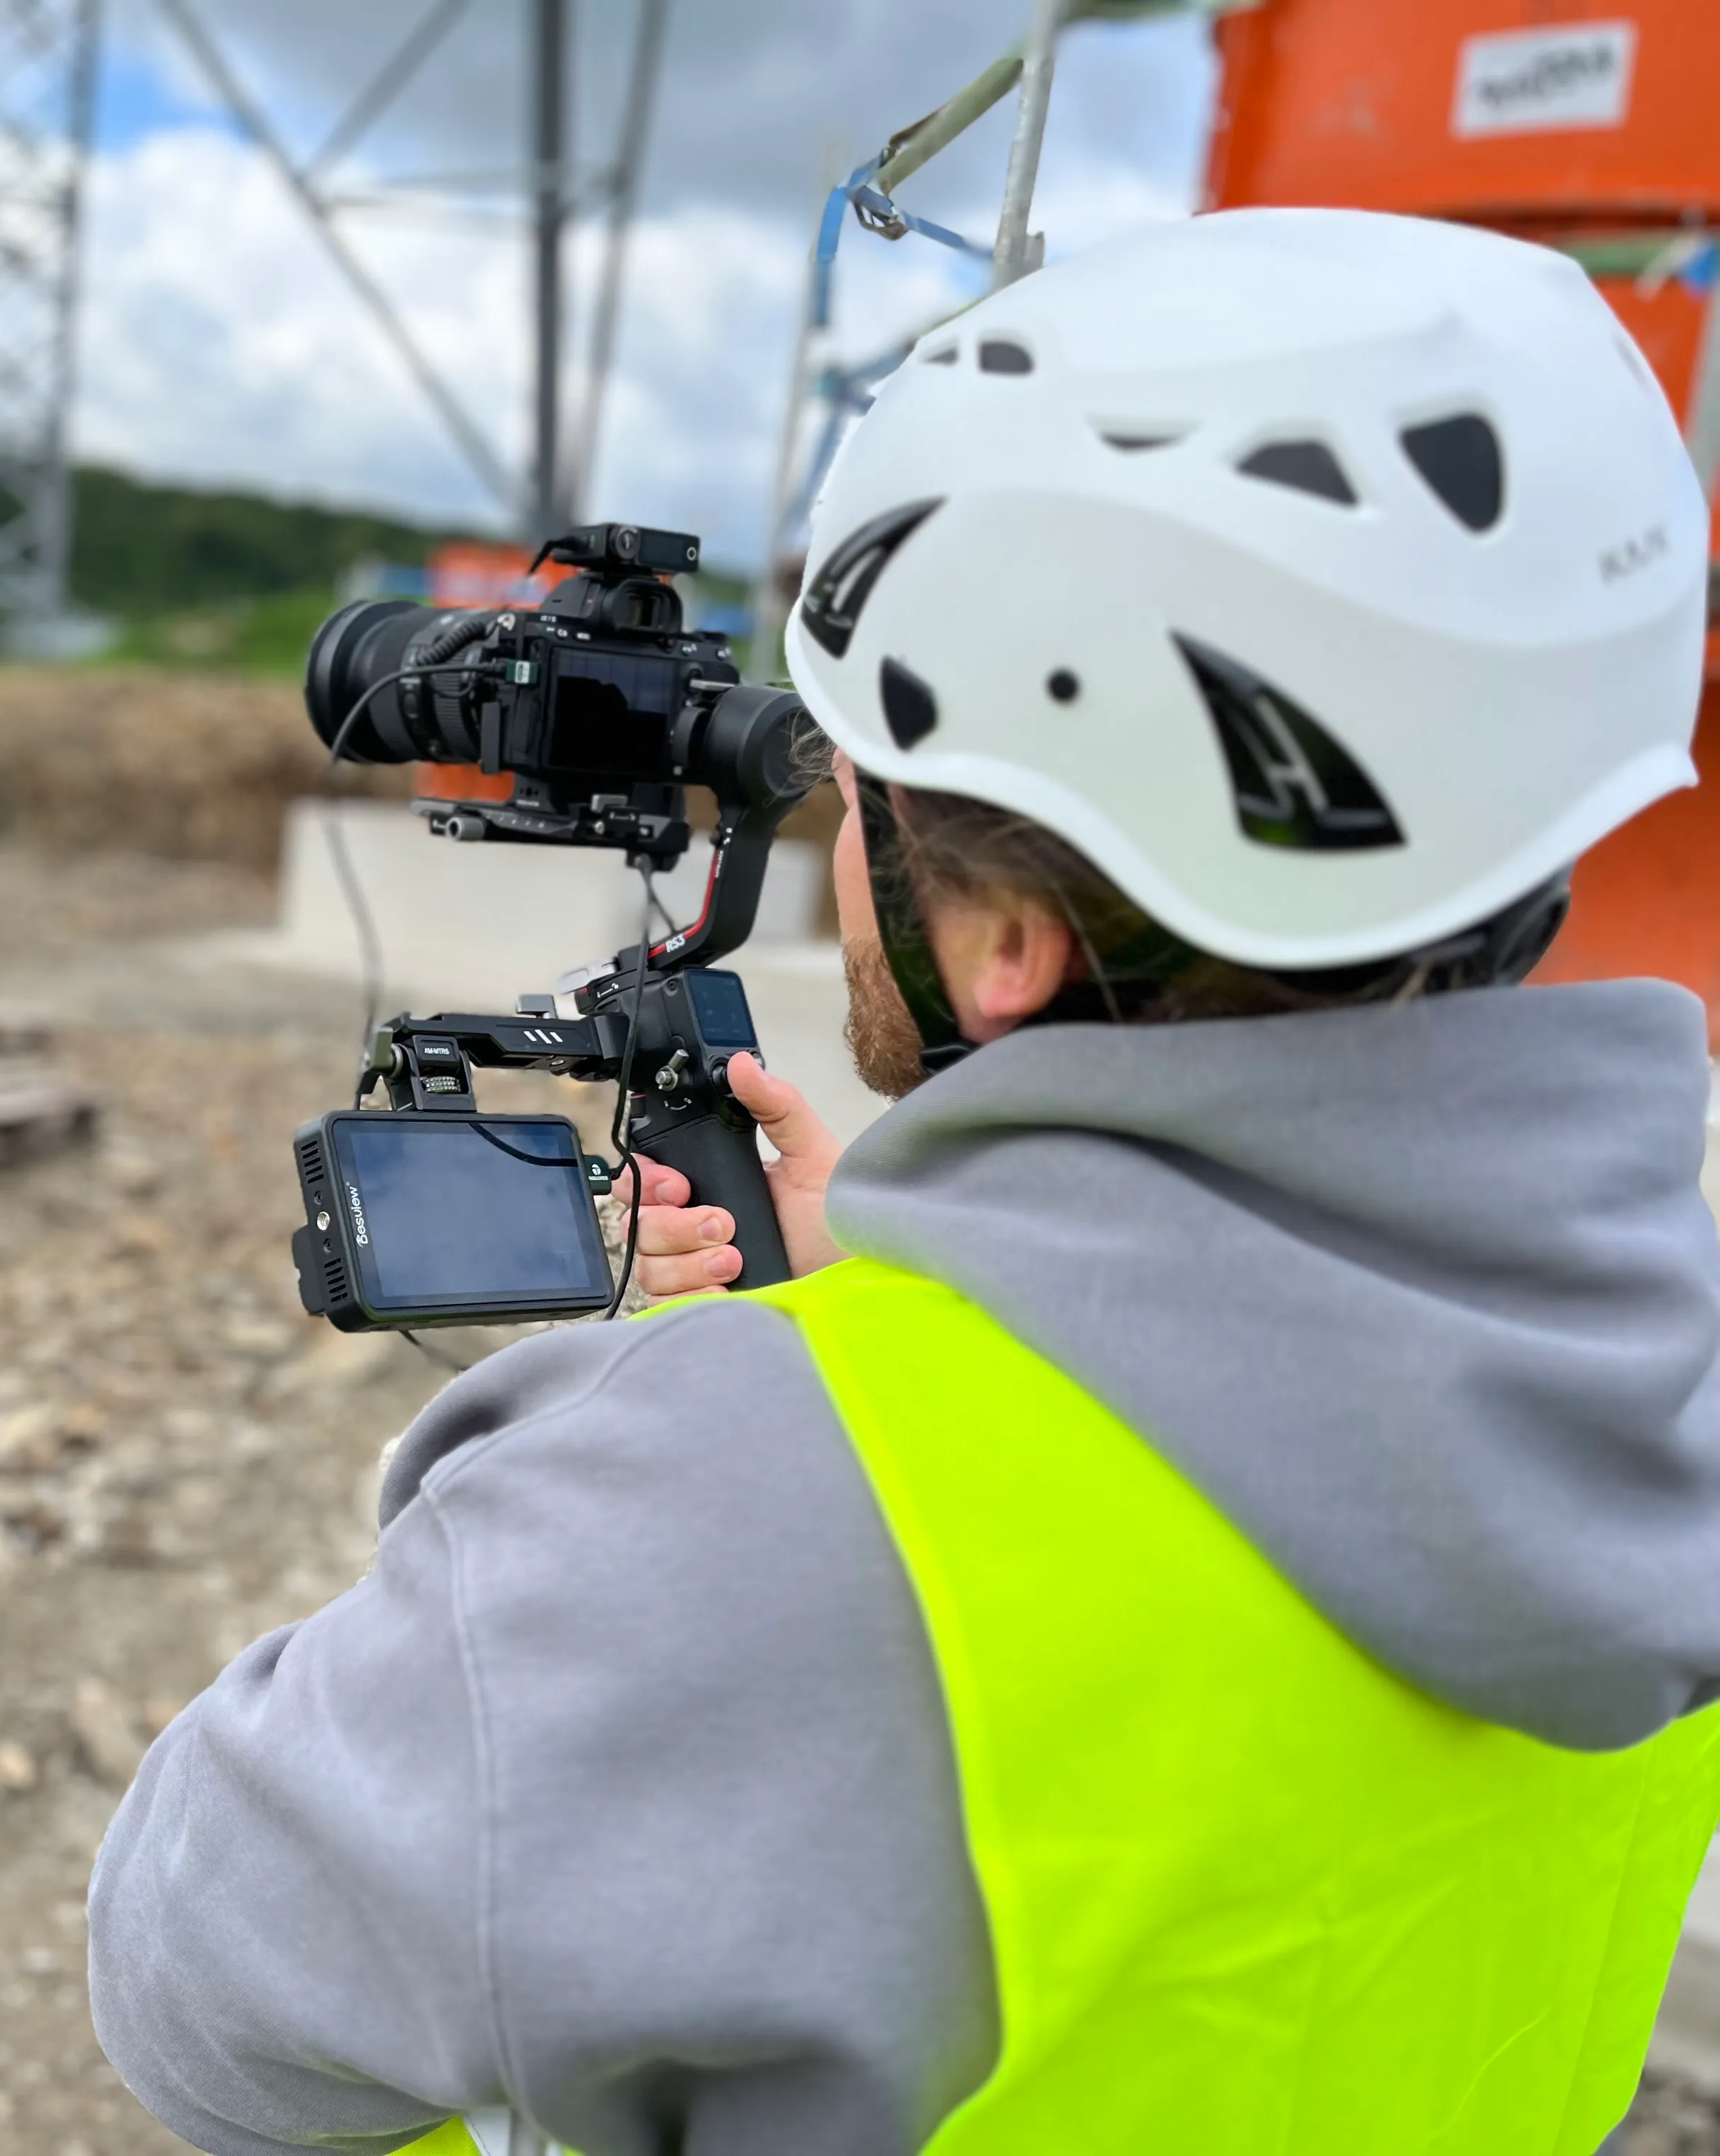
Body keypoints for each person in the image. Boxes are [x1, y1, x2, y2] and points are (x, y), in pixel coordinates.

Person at [86, 209, 1720, 2152]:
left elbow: (192, 1994)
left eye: (849, 789)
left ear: (1009, 940)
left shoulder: (678, 1531)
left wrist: (616, 1459)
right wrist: (933, 1331)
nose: (827, 831)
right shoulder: (1661, 1376)